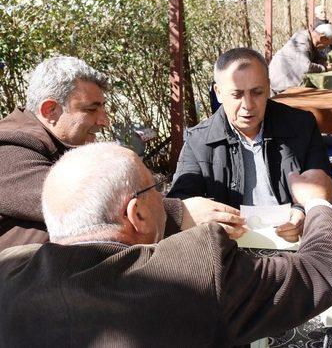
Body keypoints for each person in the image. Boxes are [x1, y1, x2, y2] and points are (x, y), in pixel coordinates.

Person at [0, 142, 332, 346]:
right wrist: (318, 202)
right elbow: (319, 273)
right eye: (155, 189)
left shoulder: (8, 271)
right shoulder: (194, 267)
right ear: (136, 213)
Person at [0, 56, 244, 253]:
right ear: (50, 109)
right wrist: (181, 213)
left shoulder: (51, 143)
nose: (104, 121)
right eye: (91, 109)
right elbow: (80, 202)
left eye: (103, 107)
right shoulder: (7, 148)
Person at [169, 48, 331, 242]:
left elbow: (323, 183)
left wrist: (301, 212)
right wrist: (211, 222)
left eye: (257, 92)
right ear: (218, 93)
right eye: (237, 95)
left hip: (293, 243)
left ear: (269, 88)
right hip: (229, 250)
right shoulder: (198, 140)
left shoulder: (301, 125)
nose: (248, 105)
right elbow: (181, 203)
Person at [269, 24, 332, 93]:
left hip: (290, 83)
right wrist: (324, 68)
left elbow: (318, 57)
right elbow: (306, 67)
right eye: (328, 44)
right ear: (322, 38)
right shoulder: (300, 41)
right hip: (280, 84)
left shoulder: (311, 40)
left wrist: (324, 63)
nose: (327, 47)